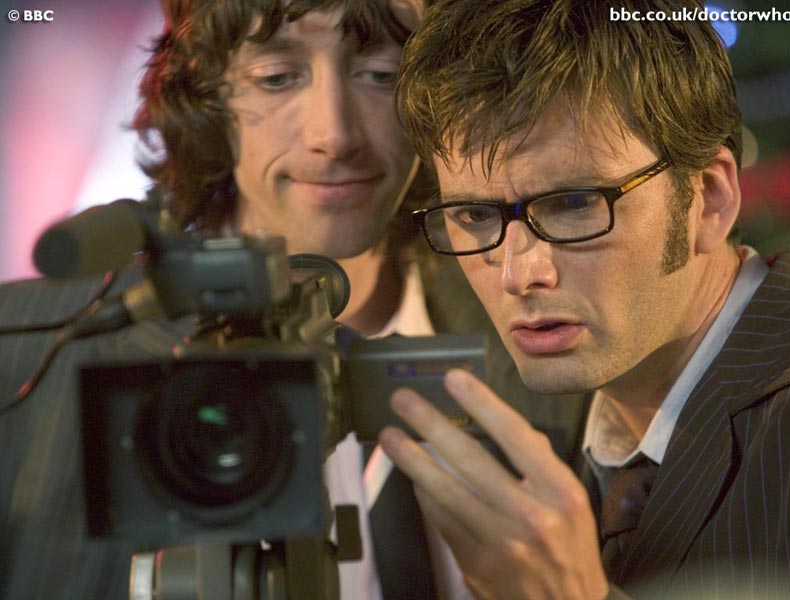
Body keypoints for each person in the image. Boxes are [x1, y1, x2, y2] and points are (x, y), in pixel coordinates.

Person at [0, 1, 587, 598]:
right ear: (205, 95)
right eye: (277, 78)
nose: (333, 135)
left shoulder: (548, 333)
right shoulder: (29, 351)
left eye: (380, 74)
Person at [380, 0, 790, 598]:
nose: (519, 274)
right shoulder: (533, 405)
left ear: (709, 199)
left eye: (575, 204)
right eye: (474, 215)